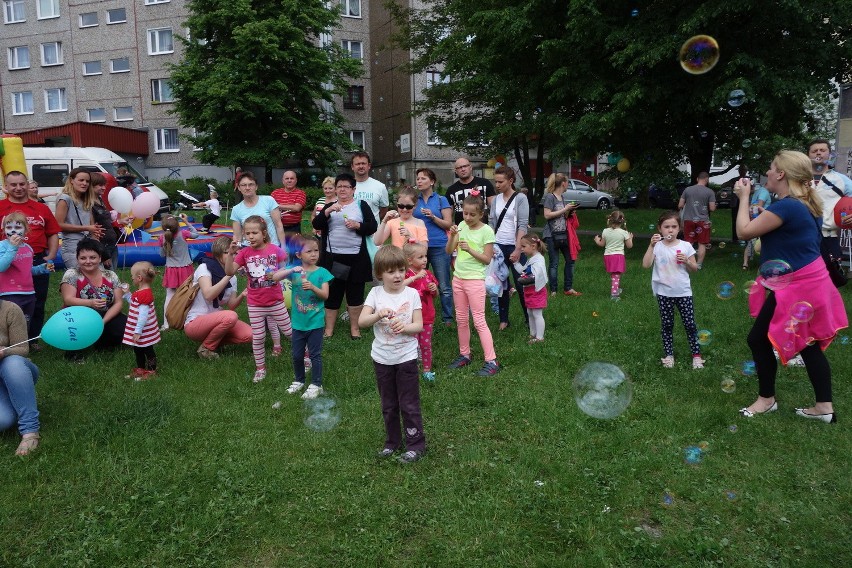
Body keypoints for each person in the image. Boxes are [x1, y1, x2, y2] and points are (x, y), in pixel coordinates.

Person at [734, 151, 847, 423]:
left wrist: (744, 197)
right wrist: (766, 214)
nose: (768, 173)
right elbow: (791, 234)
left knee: (758, 339)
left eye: (772, 168)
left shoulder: (786, 206)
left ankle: (766, 400)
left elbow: (744, 232)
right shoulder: (803, 204)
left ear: (781, 174)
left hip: (797, 285)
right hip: (810, 282)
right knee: (808, 343)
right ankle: (824, 407)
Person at [358, 245, 426, 464]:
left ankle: (416, 444)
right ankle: (392, 442)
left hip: (405, 357)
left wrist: (404, 327)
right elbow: (361, 322)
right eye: (390, 271)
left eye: (400, 270)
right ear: (380, 274)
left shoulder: (412, 293)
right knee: (388, 404)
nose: (397, 275)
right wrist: (378, 314)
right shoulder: (375, 293)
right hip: (382, 358)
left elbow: (419, 326)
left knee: (409, 403)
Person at [225, 216, 295, 383]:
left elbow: (284, 268)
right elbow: (229, 272)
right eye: (247, 233)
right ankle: (260, 368)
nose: (250, 236)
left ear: (264, 233)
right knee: (258, 337)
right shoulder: (244, 253)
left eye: (254, 232)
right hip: (255, 304)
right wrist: (229, 254)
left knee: (290, 332)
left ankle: (306, 356)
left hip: (276, 302)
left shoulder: (275, 250)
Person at [311, 173, 378, 339]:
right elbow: (316, 224)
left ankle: (355, 329)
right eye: (339, 186)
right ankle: (329, 329)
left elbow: (372, 226)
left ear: (353, 189)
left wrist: (357, 225)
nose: (342, 189)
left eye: (346, 186)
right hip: (332, 258)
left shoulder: (361, 205)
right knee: (332, 294)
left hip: (356, 258)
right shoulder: (330, 206)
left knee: (355, 295)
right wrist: (327, 212)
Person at [0, 171, 61, 350]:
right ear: (7, 186)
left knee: (36, 301)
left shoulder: (40, 208)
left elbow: (52, 232)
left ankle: (32, 339)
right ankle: (7, 339)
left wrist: (50, 256)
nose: (18, 188)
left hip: (35, 258)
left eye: (21, 184)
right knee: (8, 302)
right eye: (13, 185)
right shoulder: (1, 206)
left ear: (27, 185)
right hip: (7, 261)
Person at [446, 195, 500, 376]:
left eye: (472, 215)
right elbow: (448, 251)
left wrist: (470, 249)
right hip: (458, 278)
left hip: (475, 280)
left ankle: (491, 361)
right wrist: (453, 235)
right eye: (465, 213)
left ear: (481, 214)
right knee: (461, 319)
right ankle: (465, 354)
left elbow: (486, 259)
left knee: (479, 321)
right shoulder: (461, 226)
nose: (467, 218)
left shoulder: (487, 231)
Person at [642, 211, 703, 369]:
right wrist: (651, 245)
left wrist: (687, 262)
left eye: (674, 226)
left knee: (690, 324)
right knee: (667, 325)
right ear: (659, 229)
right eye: (666, 226)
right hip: (664, 293)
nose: (670, 230)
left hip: (683, 292)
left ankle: (696, 356)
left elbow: (695, 268)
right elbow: (646, 264)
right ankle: (669, 355)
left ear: (679, 228)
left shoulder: (686, 246)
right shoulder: (657, 246)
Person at [278, 235, 333, 399]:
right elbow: (273, 277)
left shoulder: (323, 273)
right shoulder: (295, 272)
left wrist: (313, 288)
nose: (314, 254)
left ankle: (317, 384)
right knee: (296, 354)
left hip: (315, 322)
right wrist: (290, 269)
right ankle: (299, 380)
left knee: (315, 355)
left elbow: (325, 295)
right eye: (309, 251)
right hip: (297, 322)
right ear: (298, 255)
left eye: (316, 250)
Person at [184, 236, 252, 359]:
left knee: (249, 335)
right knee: (230, 316)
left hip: (217, 319)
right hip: (195, 322)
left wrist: (242, 294)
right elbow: (209, 295)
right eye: (230, 252)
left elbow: (231, 305)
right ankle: (206, 348)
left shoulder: (234, 278)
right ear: (219, 254)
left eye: (237, 253)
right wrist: (228, 275)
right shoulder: (204, 268)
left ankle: (214, 341)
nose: (235, 256)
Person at [60, 239, 128, 359]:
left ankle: (102, 341)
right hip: (78, 316)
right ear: (77, 259)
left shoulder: (111, 275)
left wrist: (103, 322)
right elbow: (68, 299)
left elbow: (118, 303)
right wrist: (90, 303)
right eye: (83, 258)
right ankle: (74, 349)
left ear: (100, 258)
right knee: (79, 330)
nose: (88, 261)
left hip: (106, 314)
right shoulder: (72, 274)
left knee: (124, 328)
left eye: (92, 257)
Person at [411, 168, 454, 326]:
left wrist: (433, 216)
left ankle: (447, 319)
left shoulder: (441, 200)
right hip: (418, 247)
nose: (419, 181)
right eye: (418, 178)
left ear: (432, 182)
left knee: (443, 285)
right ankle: (418, 316)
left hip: (438, 246)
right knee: (416, 282)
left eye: (423, 178)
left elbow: (448, 224)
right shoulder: (415, 200)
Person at [489, 166, 530, 331]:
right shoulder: (496, 200)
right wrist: (490, 246)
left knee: (521, 285)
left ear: (511, 181)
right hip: (498, 247)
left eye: (500, 181)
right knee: (501, 285)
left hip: (515, 246)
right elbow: (491, 223)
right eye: (495, 181)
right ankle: (504, 320)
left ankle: (529, 319)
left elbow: (522, 225)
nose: (497, 185)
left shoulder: (520, 198)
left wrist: (518, 249)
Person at [0, 299, 41, 455]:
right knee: (3, 421)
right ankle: (19, 400)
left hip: (15, 369)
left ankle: (30, 430)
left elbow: (23, 349)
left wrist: (4, 351)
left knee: (14, 363)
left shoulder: (10, 309)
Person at [0, 212, 54, 326]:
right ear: (3, 229)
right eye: (9, 227)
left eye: (18, 227)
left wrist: (42, 268)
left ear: (26, 229)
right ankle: (9, 344)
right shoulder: (2, 246)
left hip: (28, 293)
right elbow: (2, 266)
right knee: (10, 324)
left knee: (25, 324)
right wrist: (12, 248)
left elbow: (27, 270)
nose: (13, 231)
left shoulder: (28, 248)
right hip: (9, 293)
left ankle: (23, 343)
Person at [807, 139, 852, 266]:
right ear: (808, 156)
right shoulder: (800, 179)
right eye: (814, 151)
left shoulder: (841, 179)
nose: (818, 153)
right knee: (802, 281)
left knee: (830, 281)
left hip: (828, 238)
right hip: (802, 236)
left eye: (822, 150)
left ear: (829, 154)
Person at [402, 242, 439, 381]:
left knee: (425, 344)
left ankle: (427, 370)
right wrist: (415, 278)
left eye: (425, 256)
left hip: (427, 316)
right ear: (409, 260)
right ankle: (413, 369)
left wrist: (434, 289)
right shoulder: (405, 275)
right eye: (420, 257)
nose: (425, 259)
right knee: (412, 344)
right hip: (410, 318)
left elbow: (435, 295)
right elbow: (399, 287)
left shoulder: (428, 274)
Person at [542, 173, 582, 297]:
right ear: (563, 183)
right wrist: (565, 209)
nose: (568, 185)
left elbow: (562, 216)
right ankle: (553, 290)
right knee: (554, 263)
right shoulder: (550, 197)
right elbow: (547, 215)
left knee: (570, 260)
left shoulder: (562, 197)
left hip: (564, 234)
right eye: (567, 182)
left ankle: (568, 288)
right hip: (551, 235)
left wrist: (569, 212)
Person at [55, 168, 104, 269]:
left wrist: (96, 237)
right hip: (72, 247)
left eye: (87, 181)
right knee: (81, 279)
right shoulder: (64, 198)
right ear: (72, 180)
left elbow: (92, 226)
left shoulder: (86, 200)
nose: (84, 183)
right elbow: (58, 225)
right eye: (81, 180)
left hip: (89, 245)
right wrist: (87, 228)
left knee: (99, 277)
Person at [159, 214, 199, 331]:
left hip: (171, 269)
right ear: (177, 226)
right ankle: (188, 319)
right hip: (185, 268)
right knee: (189, 294)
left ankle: (166, 324)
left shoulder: (162, 238)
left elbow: (162, 255)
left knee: (169, 296)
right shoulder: (184, 233)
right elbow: (196, 234)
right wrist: (186, 222)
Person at [121, 262, 161, 380]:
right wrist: (128, 293)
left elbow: (143, 315)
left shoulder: (145, 294)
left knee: (148, 349)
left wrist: (138, 331)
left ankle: (151, 371)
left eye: (132, 276)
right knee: (138, 349)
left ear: (139, 278)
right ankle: (141, 369)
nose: (131, 278)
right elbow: (134, 302)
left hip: (144, 330)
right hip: (140, 329)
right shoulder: (141, 293)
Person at [231, 172, 287, 247]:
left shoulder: (268, 200)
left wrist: (283, 247)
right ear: (239, 188)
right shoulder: (236, 209)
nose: (247, 188)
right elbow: (237, 236)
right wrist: (237, 248)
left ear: (256, 187)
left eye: (251, 184)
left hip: (272, 248)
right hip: (249, 250)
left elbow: (279, 225)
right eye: (243, 185)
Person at [351, 152, 389, 260]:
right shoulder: (346, 186)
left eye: (363, 163)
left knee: (374, 267)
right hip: (351, 233)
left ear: (369, 166)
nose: (361, 166)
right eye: (357, 164)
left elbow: (384, 209)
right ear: (352, 167)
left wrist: (371, 222)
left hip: (373, 236)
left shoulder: (380, 186)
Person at [513, 234, 548, 343]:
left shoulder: (539, 259)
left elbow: (539, 274)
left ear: (533, 246)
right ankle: (533, 333)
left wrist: (528, 279)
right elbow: (523, 271)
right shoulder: (532, 259)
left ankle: (540, 337)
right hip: (529, 290)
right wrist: (516, 263)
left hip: (537, 290)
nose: (522, 249)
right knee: (530, 312)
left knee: (537, 314)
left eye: (523, 246)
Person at [677, 171, 716, 268]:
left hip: (688, 219)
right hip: (703, 221)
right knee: (702, 243)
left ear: (697, 179)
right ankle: (698, 265)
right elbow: (712, 208)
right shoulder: (710, 192)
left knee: (688, 242)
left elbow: (680, 205)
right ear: (707, 180)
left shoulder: (687, 189)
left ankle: (687, 263)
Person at [594, 210, 634, 300]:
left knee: (614, 274)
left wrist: (597, 240)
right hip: (618, 256)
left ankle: (616, 288)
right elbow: (629, 246)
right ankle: (614, 294)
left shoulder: (605, 231)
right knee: (616, 274)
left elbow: (602, 244)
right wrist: (630, 238)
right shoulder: (624, 233)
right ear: (622, 221)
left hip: (608, 256)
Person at [446, 157, 495, 225]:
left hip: (482, 230)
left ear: (470, 167)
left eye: (465, 166)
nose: (463, 169)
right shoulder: (451, 190)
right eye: (459, 167)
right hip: (462, 230)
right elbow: (448, 215)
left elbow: (494, 207)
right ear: (456, 171)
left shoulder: (485, 183)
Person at [89, 173, 119, 270]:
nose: (104, 188)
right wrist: (104, 254)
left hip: (112, 244)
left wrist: (120, 221)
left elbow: (107, 222)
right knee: (108, 275)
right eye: (100, 185)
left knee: (113, 275)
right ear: (91, 186)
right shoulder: (90, 205)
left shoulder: (100, 200)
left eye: (104, 185)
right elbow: (93, 231)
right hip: (103, 246)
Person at [741, 179, 772, 270]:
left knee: (750, 242)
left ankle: (745, 264)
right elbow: (759, 206)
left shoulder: (759, 190)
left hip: (754, 219)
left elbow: (752, 205)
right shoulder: (765, 192)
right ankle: (763, 265)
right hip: (760, 220)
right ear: (768, 184)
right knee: (762, 243)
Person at [271, 170, 307, 237]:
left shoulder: (300, 193)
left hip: (293, 228)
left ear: (296, 180)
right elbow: (269, 207)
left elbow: (296, 208)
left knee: (293, 247)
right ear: (283, 180)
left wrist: (277, 206)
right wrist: (290, 207)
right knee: (277, 247)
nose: (289, 180)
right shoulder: (275, 193)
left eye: (292, 178)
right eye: (287, 178)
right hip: (276, 227)